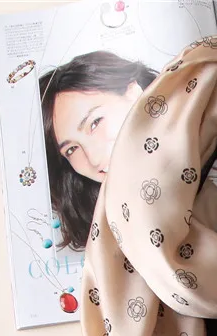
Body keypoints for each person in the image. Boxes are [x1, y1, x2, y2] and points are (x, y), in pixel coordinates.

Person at [40, 51, 158, 250]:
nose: (94, 159)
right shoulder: (108, 236)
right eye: (71, 149)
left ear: (133, 92)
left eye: (95, 123)